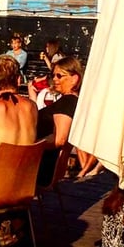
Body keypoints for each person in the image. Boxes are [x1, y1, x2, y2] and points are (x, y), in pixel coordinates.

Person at [35, 56, 82, 186]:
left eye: (59, 76)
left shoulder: (67, 103)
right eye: (53, 75)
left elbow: (60, 139)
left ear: (74, 79)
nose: (54, 79)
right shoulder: (71, 102)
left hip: (39, 169)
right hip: (44, 166)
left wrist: (30, 146)